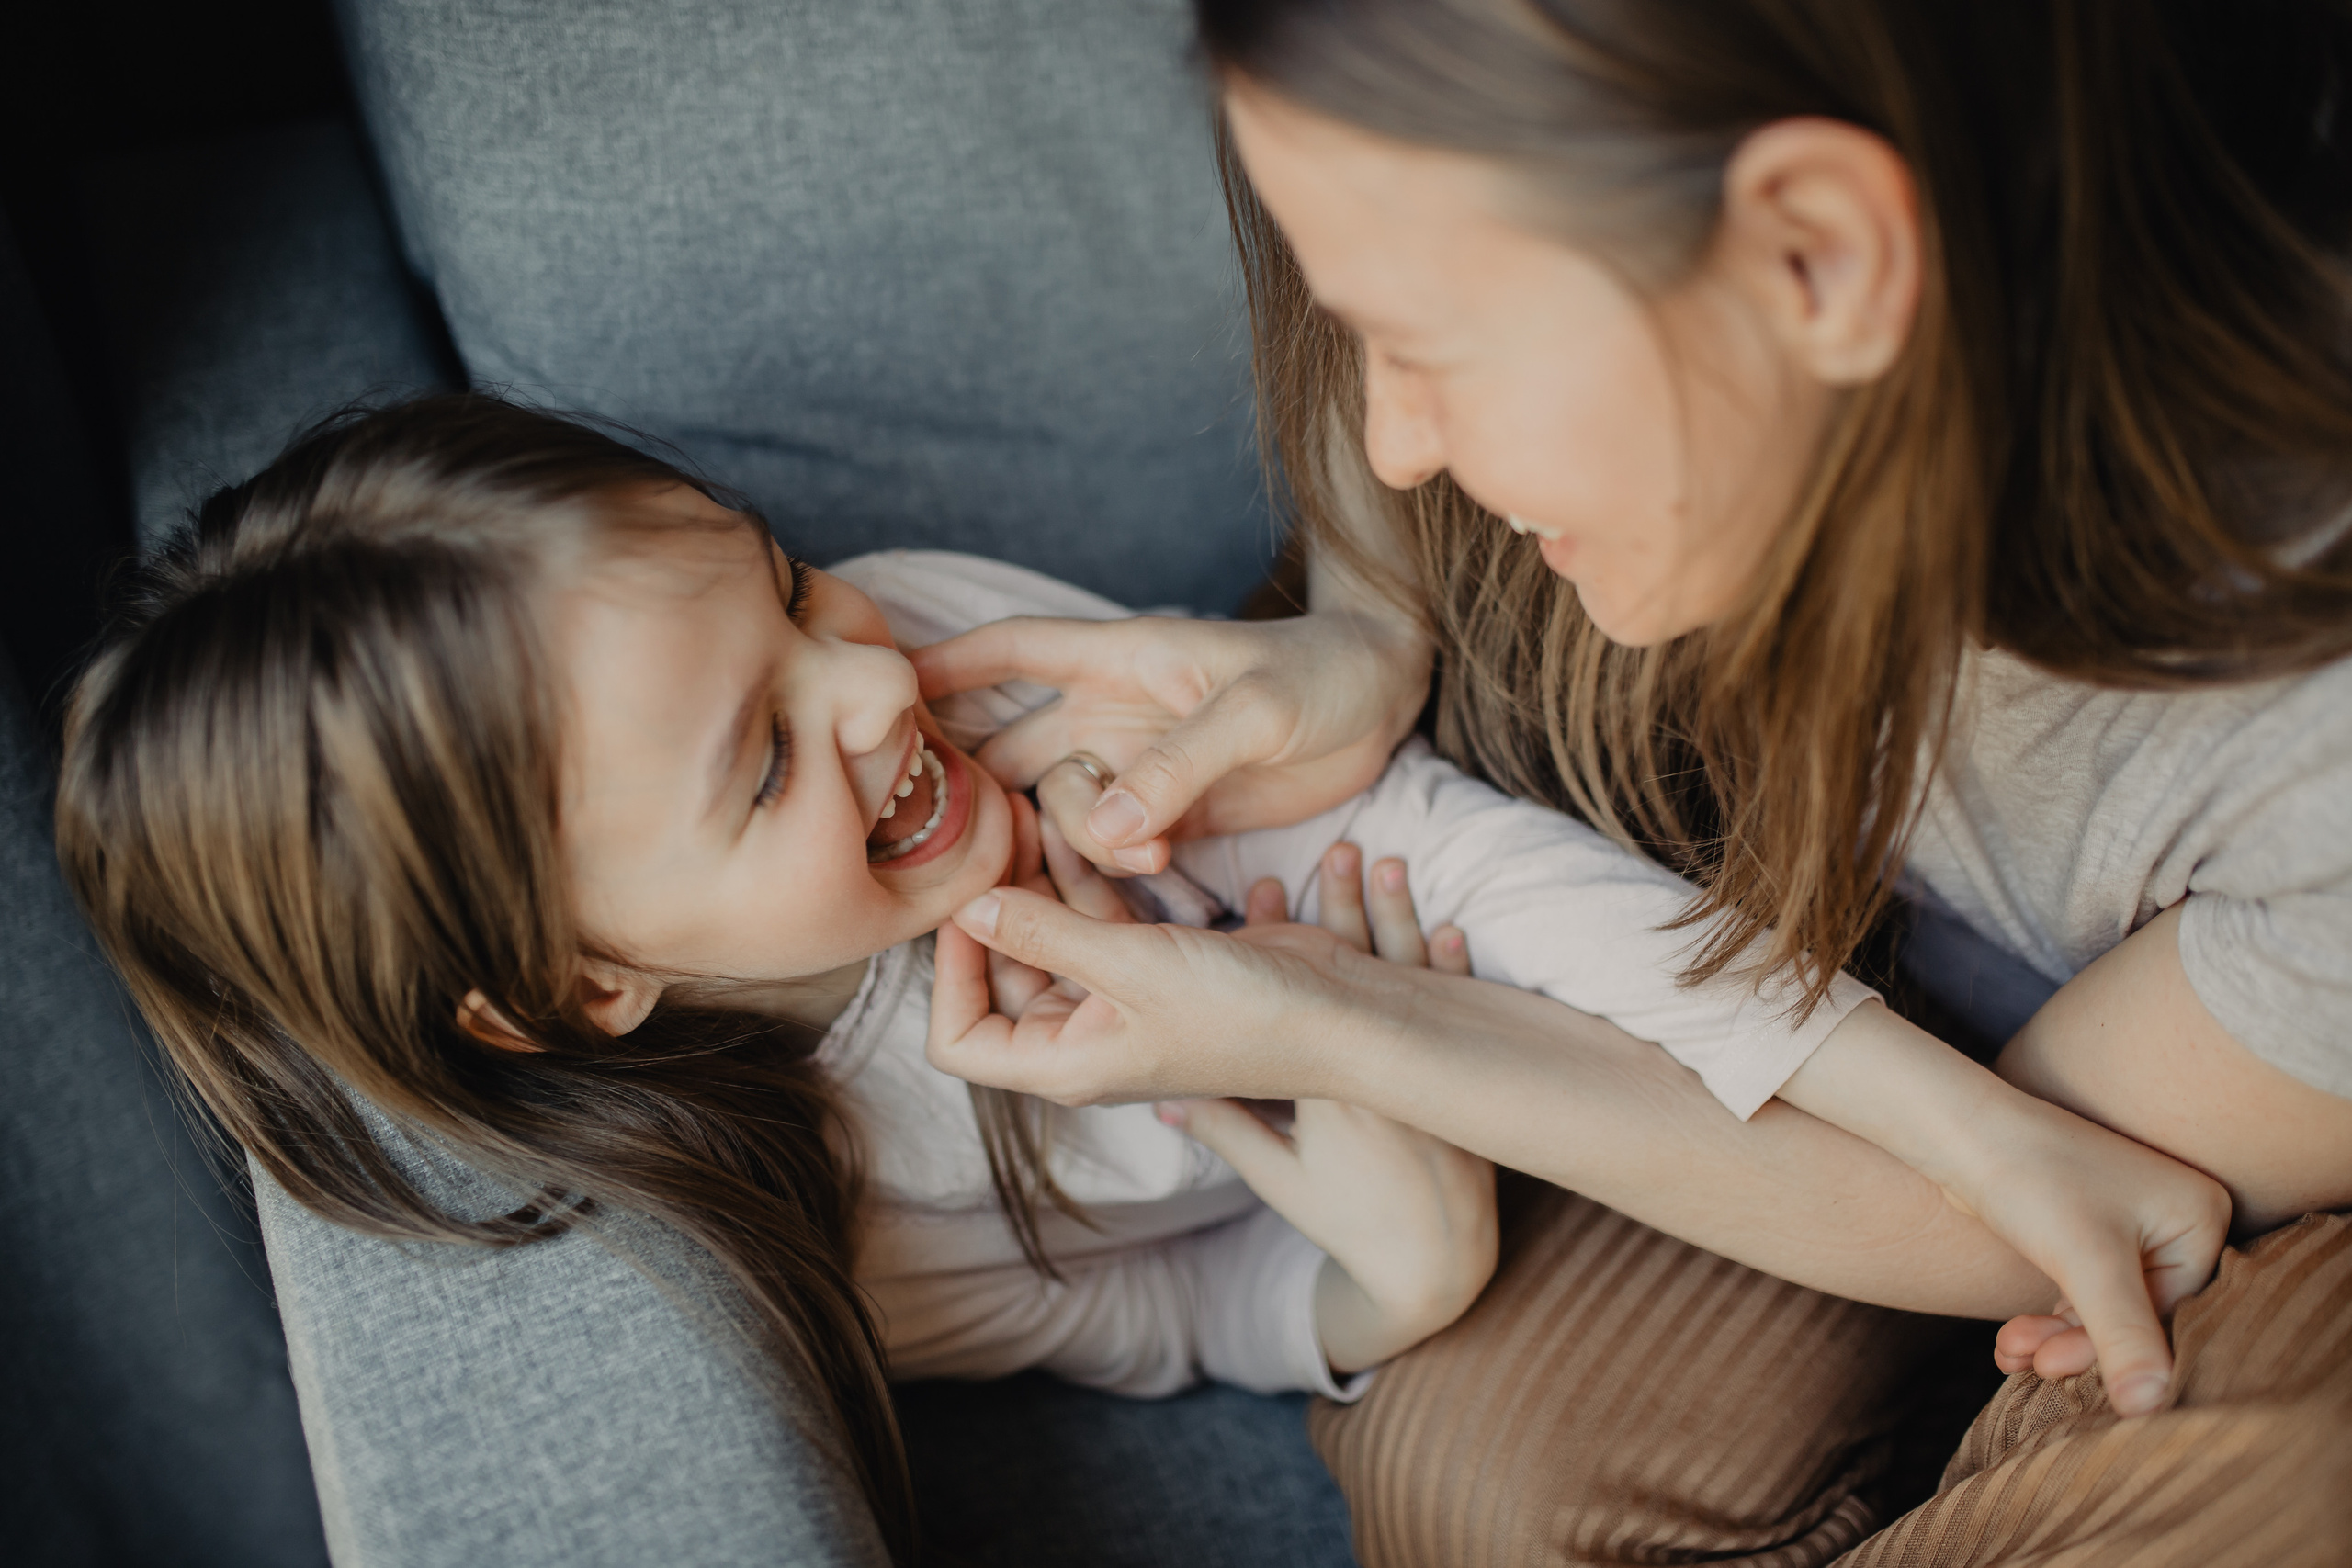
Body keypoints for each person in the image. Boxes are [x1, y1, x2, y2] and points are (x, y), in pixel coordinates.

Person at [58, 394, 2149, 1562]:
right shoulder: (850, 1208)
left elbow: (1469, 858)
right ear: (582, 977)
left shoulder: (1004, 709)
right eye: (767, 750)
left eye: (789, 588)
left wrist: (1936, 1108)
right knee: (1482, 1488)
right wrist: (1379, 1276)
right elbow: (1131, 1314)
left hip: (1529, 843)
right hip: (1443, 1140)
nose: (879, 673)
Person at [912, 3, 2352, 1564]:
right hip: (1781, 988)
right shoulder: (1555, 232)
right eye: (1359, 325)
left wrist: (1335, 1020)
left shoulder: (2309, 749)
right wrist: (1369, 625)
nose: (1394, 443)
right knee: (1483, 1481)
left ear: (1820, 258)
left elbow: (2019, 1191)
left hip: (2167, 1138)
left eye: (1434, 348)